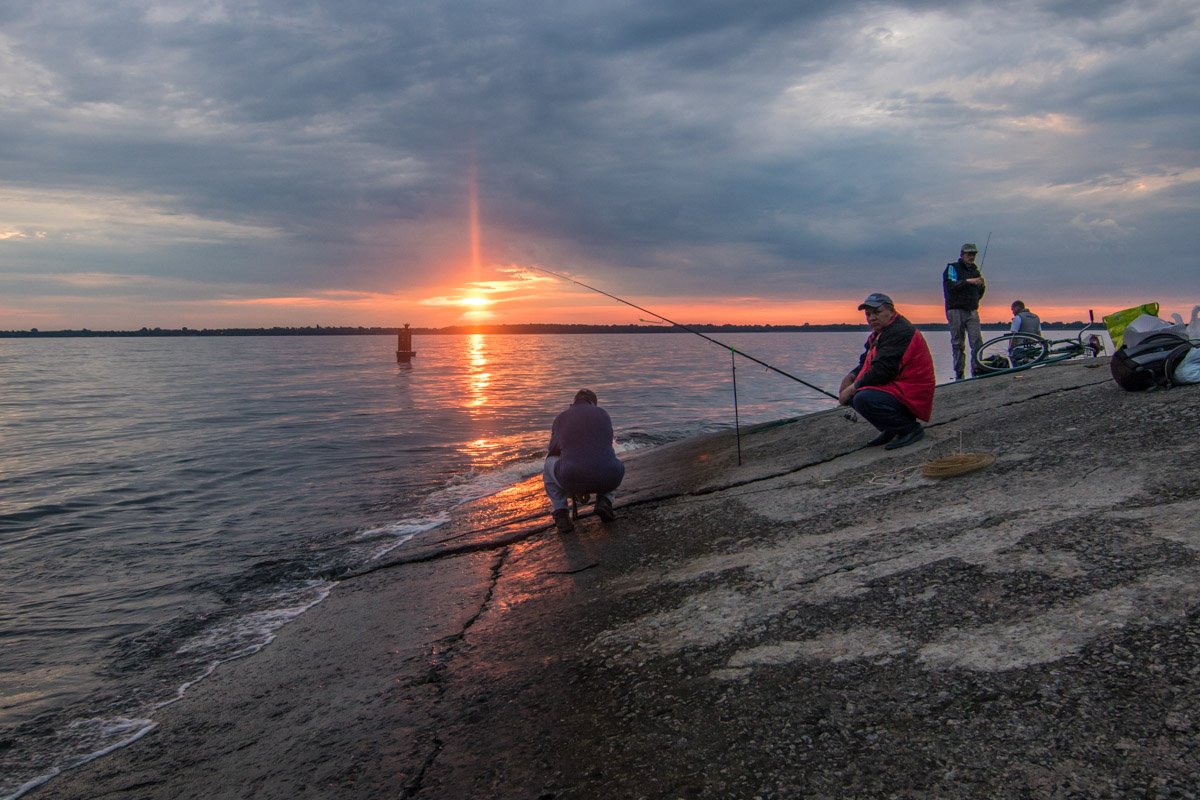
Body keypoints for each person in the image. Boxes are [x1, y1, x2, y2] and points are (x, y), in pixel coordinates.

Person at [838, 293, 935, 450]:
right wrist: (850, 377)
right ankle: (891, 428)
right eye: (868, 314)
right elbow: (865, 363)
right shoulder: (881, 333)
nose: (872, 318)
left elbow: (883, 371)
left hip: (912, 391)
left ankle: (909, 429)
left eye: (877, 312)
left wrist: (851, 388)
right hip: (897, 388)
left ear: (891, 311)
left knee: (862, 398)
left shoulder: (900, 332)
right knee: (855, 395)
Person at [543, 388, 625, 534]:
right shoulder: (603, 414)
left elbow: (553, 449)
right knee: (610, 462)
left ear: (573, 403)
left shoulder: (562, 417)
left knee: (549, 462)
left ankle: (561, 512)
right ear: (593, 403)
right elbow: (607, 444)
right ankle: (605, 501)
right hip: (609, 478)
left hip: (573, 477)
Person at [942, 242, 986, 380]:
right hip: (955, 310)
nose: (972, 256)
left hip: (972, 310)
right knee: (958, 343)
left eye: (973, 254)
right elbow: (950, 286)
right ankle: (959, 374)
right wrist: (968, 281)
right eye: (969, 254)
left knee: (977, 341)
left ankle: (977, 370)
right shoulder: (952, 268)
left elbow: (979, 293)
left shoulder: (975, 270)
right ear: (962, 255)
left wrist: (981, 286)